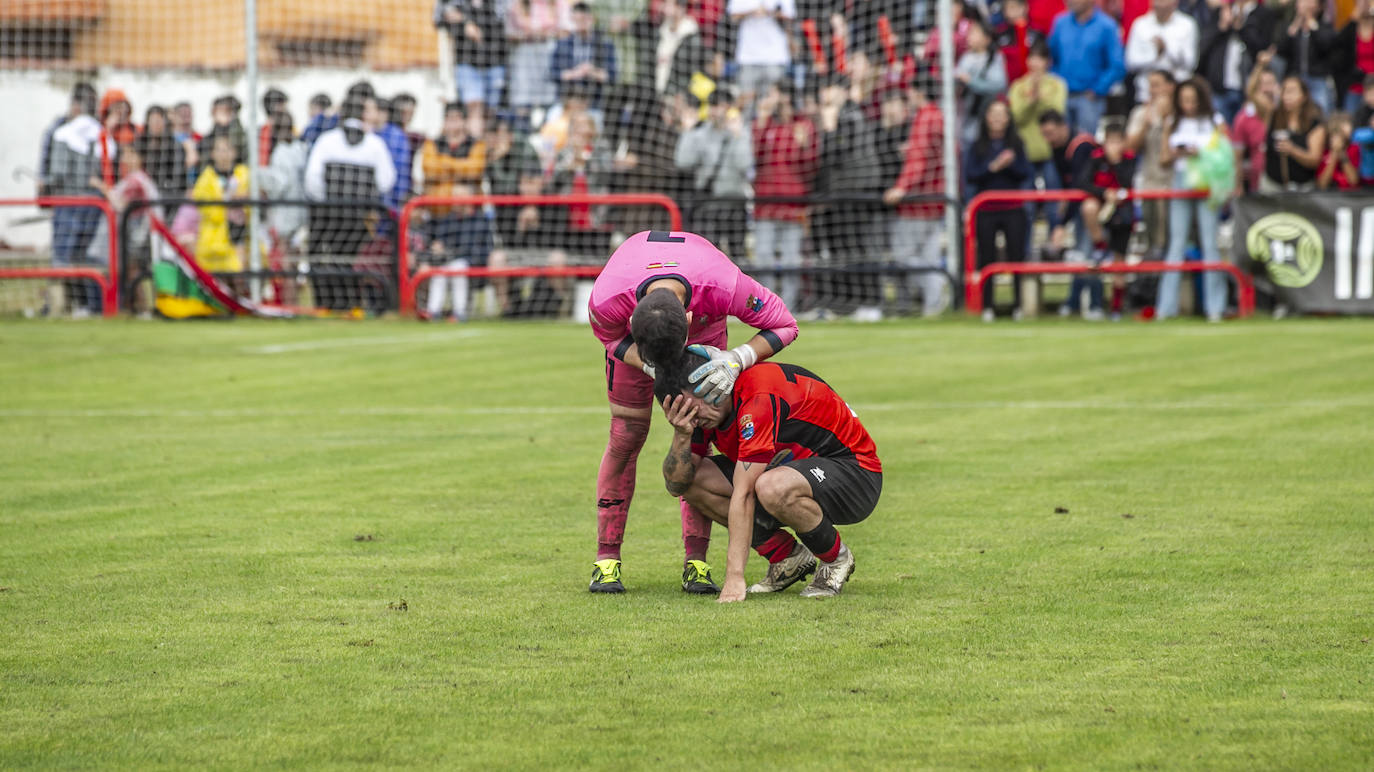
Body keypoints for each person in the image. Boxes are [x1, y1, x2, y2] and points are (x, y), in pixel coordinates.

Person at [585, 230, 800, 594]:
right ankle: (606, 560)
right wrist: (648, 364)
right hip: (639, 351)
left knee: (699, 438)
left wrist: (736, 360)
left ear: (689, 315)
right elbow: (608, 337)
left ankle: (696, 564)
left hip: (704, 338)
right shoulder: (607, 299)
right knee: (626, 436)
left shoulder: (724, 283)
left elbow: (785, 324)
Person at [655, 352, 882, 601]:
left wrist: (734, 578)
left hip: (857, 474)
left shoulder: (756, 397)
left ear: (711, 388)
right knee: (694, 480)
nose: (693, 419)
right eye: (682, 413)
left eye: (692, 410)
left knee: (770, 486)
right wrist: (682, 434)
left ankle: (836, 559)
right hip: (788, 472)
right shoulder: (700, 414)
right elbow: (677, 484)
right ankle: (787, 557)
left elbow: (745, 493)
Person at [1156, 77, 1227, 322]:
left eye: (1193, 100)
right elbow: (1163, 159)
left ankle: (1215, 307)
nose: (1189, 105)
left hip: (1207, 182)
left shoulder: (1214, 121)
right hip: (1180, 179)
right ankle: (1165, 308)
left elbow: (1225, 153)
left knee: (1210, 243)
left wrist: (1203, 153)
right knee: (1176, 243)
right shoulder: (1172, 122)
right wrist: (1178, 153)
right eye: (1184, 100)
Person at [883, 72, 949, 317]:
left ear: (919, 92)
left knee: (904, 255)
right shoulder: (938, 115)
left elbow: (919, 160)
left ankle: (937, 290)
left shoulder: (925, 117)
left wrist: (902, 187)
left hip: (919, 201)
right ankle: (933, 305)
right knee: (928, 254)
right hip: (935, 197)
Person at [47, 85, 113, 315]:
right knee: (91, 258)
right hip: (96, 206)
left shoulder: (62, 133)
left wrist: (44, 184)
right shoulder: (103, 134)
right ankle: (95, 306)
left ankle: (57, 309)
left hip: (68, 204)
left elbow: (58, 174)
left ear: (75, 104)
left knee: (63, 257)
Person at [964, 99, 1032, 321]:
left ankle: (1018, 306)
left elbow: (1024, 172)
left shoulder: (1016, 144)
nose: (997, 118)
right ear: (986, 117)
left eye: (1002, 114)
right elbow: (972, 174)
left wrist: (1009, 164)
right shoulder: (977, 146)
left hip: (1013, 208)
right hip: (987, 209)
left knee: (1016, 257)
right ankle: (987, 306)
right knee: (987, 258)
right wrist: (994, 166)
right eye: (993, 113)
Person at [753, 80, 818, 311]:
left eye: (773, 94)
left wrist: (804, 146)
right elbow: (752, 157)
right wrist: (760, 122)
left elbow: (811, 168)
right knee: (763, 257)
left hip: (793, 204)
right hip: (765, 203)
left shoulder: (804, 126)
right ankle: (763, 309)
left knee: (792, 259)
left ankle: (787, 308)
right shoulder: (763, 124)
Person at [675, 90, 753, 257]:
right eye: (712, 106)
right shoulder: (701, 134)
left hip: (734, 203)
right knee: (707, 256)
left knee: (738, 256)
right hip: (708, 204)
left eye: (718, 106)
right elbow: (683, 162)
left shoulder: (742, 133)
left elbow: (744, 165)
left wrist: (738, 136)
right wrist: (687, 132)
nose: (714, 110)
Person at [1072, 121, 1138, 320]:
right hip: (1102, 211)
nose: (1114, 146)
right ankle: (1100, 245)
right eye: (1110, 142)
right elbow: (1083, 183)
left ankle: (1116, 308)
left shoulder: (1129, 160)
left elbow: (1130, 183)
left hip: (1123, 214)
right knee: (1088, 207)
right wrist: (1104, 193)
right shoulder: (1096, 159)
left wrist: (1116, 165)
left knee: (1119, 263)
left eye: (1118, 142)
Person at [1048, 0, 1126, 135]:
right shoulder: (1060, 23)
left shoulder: (1107, 26)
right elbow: (1049, 58)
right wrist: (1055, 83)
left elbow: (1117, 65)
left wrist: (1097, 89)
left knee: (1086, 145)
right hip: (1061, 96)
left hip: (1090, 99)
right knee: (1060, 147)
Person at [423, 181, 494, 321]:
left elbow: (479, 250)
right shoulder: (448, 220)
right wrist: (438, 248)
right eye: (454, 195)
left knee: (458, 266)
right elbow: (440, 243)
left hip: (474, 266)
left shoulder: (480, 220)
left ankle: (459, 312)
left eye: (459, 195)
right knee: (440, 270)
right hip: (449, 262)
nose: (455, 199)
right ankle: (433, 311)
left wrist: (452, 254)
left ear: (469, 198)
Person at [434, 0, 509, 130]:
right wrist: (465, 21)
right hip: (467, 60)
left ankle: (486, 145)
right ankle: (476, 147)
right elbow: (440, 16)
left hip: (496, 59)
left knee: (491, 111)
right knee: (473, 107)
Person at [1127, 69, 1176, 256]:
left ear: (1170, 87)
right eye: (1150, 86)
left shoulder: (1182, 113)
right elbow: (1130, 148)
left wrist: (1166, 122)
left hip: (1175, 185)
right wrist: (1146, 125)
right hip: (1150, 184)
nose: (1152, 90)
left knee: (1172, 241)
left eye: (1156, 85)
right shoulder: (1140, 113)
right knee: (1151, 241)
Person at [191, 134, 251, 284]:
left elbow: (251, 199)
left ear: (234, 152)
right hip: (215, 241)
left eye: (227, 149)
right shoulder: (206, 178)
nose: (224, 154)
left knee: (240, 278)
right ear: (213, 154)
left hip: (240, 236)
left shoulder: (243, 173)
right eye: (220, 150)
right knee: (218, 283)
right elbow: (205, 207)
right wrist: (228, 204)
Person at [1009, 40, 1067, 192]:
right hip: (1026, 150)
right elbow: (1016, 117)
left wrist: (1038, 98)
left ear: (1048, 62)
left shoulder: (1057, 84)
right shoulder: (1017, 86)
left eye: (1040, 58)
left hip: (1051, 150)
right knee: (1026, 196)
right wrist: (1030, 102)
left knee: (1053, 193)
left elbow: (1057, 113)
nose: (1035, 63)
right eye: (1032, 58)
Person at [1259, 74, 1327, 191]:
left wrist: (1292, 150)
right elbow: (1252, 93)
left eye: (1292, 91)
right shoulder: (1272, 115)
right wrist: (1260, 66)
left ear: (1304, 96)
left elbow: (1314, 160)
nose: (1287, 96)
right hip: (1272, 186)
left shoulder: (1315, 124)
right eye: (1284, 91)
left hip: (1302, 189)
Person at [1124, 0, 1198, 105]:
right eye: (1158, 3)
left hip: (1177, 95)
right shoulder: (1140, 24)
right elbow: (1131, 62)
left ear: (1174, 3)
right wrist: (1154, 56)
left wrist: (1167, 50)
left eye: (1164, 3)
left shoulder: (1187, 24)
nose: (1161, 6)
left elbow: (1191, 63)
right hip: (1146, 94)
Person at [507, 0, 571, 118]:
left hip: (549, 54)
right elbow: (509, 34)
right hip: (525, 56)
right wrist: (526, 35)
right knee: (523, 100)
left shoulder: (559, 4)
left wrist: (548, 34)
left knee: (548, 100)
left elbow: (567, 30)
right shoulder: (518, 4)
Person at [727, 0, 795, 109]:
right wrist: (753, 11)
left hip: (775, 57)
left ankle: (768, 125)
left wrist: (770, 12)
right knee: (746, 101)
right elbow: (732, 15)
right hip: (748, 57)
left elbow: (790, 17)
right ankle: (746, 125)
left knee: (770, 102)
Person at [550, 2, 618, 109]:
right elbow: (552, 74)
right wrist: (575, 73)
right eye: (577, 20)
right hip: (566, 103)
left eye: (584, 20)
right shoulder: (563, 44)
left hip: (594, 103)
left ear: (592, 19)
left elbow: (612, 77)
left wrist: (591, 71)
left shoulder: (605, 44)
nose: (580, 24)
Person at [1275, 0, 1337, 115]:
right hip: (1296, 78)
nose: (1305, 5)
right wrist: (1294, 27)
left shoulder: (1325, 26)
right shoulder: (1292, 27)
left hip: (1318, 78)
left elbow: (1327, 46)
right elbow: (1281, 50)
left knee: (1321, 112)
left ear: (1319, 6)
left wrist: (1313, 27)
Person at [37, 83, 97, 199]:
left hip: (86, 194)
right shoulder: (58, 128)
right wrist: (43, 179)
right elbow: (46, 156)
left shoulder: (93, 128)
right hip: (60, 192)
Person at [956, 20, 1009, 144]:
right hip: (968, 118)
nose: (970, 37)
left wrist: (971, 81)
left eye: (974, 33)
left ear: (987, 38)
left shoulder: (995, 58)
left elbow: (998, 85)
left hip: (988, 118)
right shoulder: (966, 58)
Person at [138, 106, 189, 205]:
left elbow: (177, 180)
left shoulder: (175, 146)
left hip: (168, 196)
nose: (156, 125)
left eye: (158, 121)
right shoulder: (140, 144)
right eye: (152, 121)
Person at [1337, 0, 1374, 116]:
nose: (1364, 5)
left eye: (1367, 2)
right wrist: (1352, 20)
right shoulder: (1351, 30)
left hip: (1373, 83)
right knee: (1350, 117)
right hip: (1355, 84)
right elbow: (1337, 43)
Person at [996, 0, 1046, 83]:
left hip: (1033, 83)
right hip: (1007, 85)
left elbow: (1043, 59)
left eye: (1015, 7)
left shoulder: (1037, 32)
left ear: (1025, 7)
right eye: (1008, 8)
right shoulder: (1000, 34)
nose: (1012, 12)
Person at [1316, 113, 1361, 190]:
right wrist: (1334, 154)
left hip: (1351, 196)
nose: (1350, 128)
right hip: (1329, 196)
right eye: (1346, 124)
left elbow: (1354, 181)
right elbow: (1322, 183)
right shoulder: (1325, 151)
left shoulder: (1354, 148)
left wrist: (1341, 152)